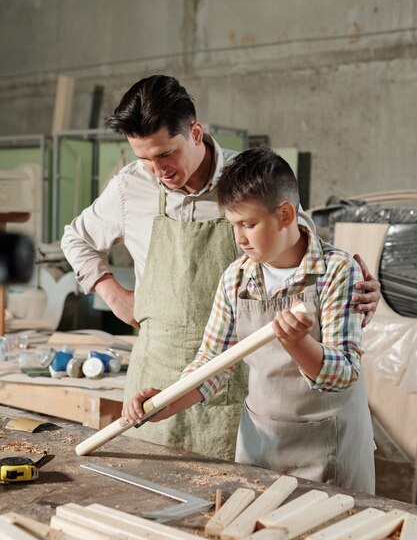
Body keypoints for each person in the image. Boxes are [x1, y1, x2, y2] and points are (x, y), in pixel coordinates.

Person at [61, 74, 380, 462]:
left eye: (165, 154)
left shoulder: (247, 181)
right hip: (166, 373)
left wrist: (357, 296)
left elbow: (307, 256)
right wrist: (113, 294)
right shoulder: (131, 187)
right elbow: (75, 238)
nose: (157, 170)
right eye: (143, 158)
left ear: (195, 133)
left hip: (244, 380)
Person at [122, 147, 375, 493]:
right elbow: (212, 365)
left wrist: (298, 345)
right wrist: (166, 403)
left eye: (249, 224)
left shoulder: (336, 271)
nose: (239, 238)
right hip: (260, 447)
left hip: (328, 449)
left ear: (286, 215)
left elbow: (343, 374)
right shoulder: (236, 279)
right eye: (233, 225)